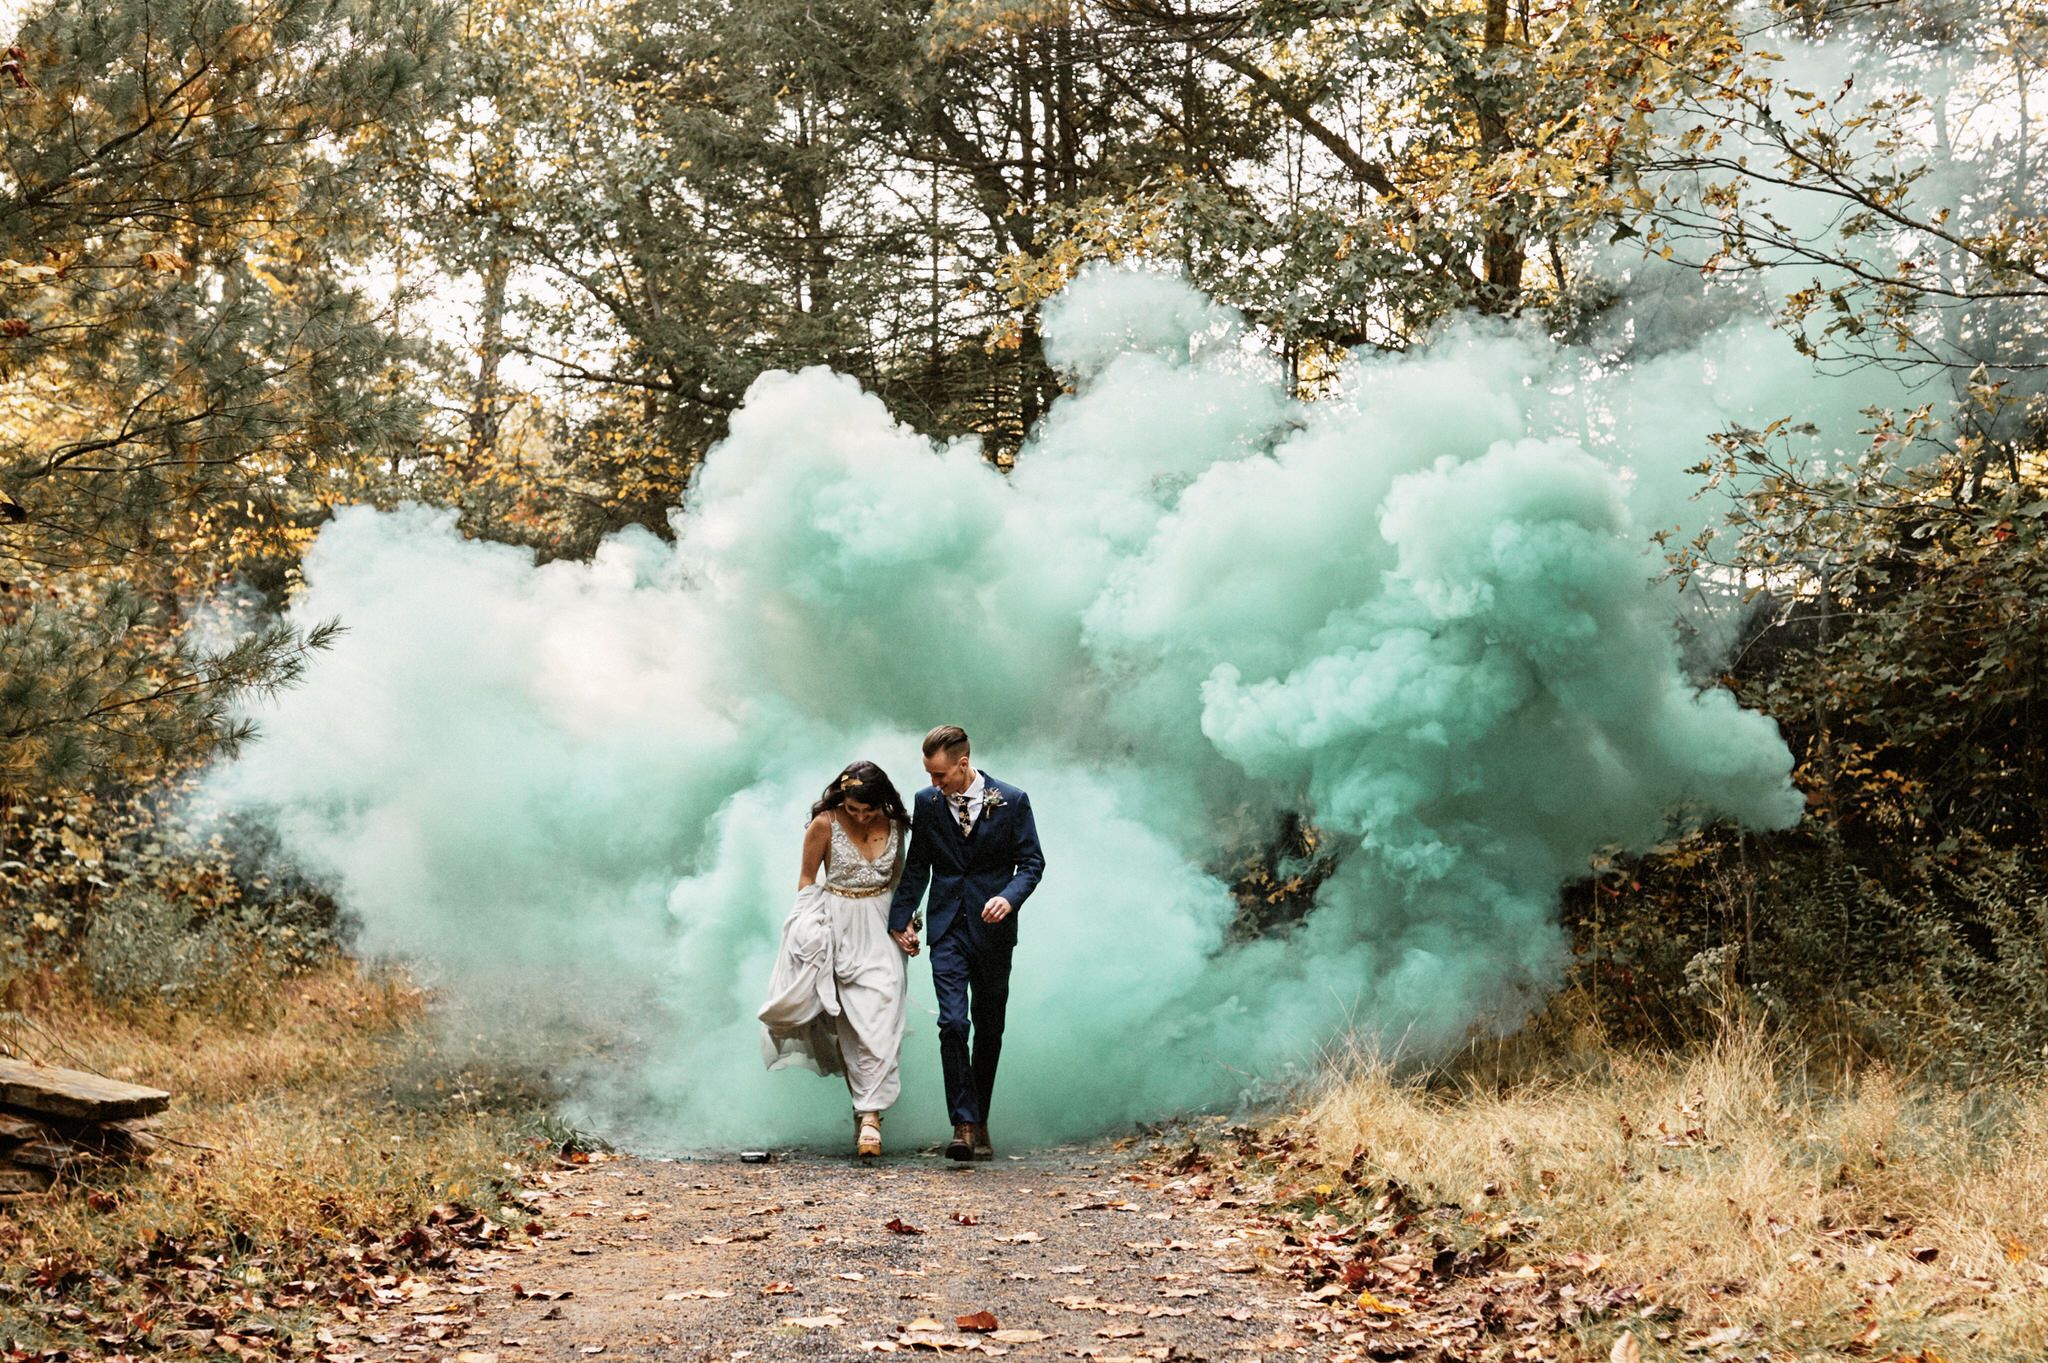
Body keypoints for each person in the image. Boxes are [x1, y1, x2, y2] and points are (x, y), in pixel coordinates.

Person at [888, 725, 1045, 1161]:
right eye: (928, 774)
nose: (933, 783)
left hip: (993, 931)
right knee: (953, 1024)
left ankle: (981, 1116)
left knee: (989, 1027)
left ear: (963, 762)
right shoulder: (927, 803)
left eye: (940, 775)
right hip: (947, 929)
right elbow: (918, 865)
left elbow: (1032, 863)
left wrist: (1008, 898)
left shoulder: (1012, 800)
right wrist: (902, 920)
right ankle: (963, 1124)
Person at [757, 760, 912, 1158]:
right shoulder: (824, 824)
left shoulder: (896, 827)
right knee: (853, 1025)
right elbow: (807, 881)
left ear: (884, 803)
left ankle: (870, 1112)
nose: (860, 816)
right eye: (853, 808)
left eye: (869, 810)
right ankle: (869, 1118)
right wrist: (806, 929)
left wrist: (906, 923)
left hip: (881, 924)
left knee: (884, 1016)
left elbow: (898, 882)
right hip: (837, 924)